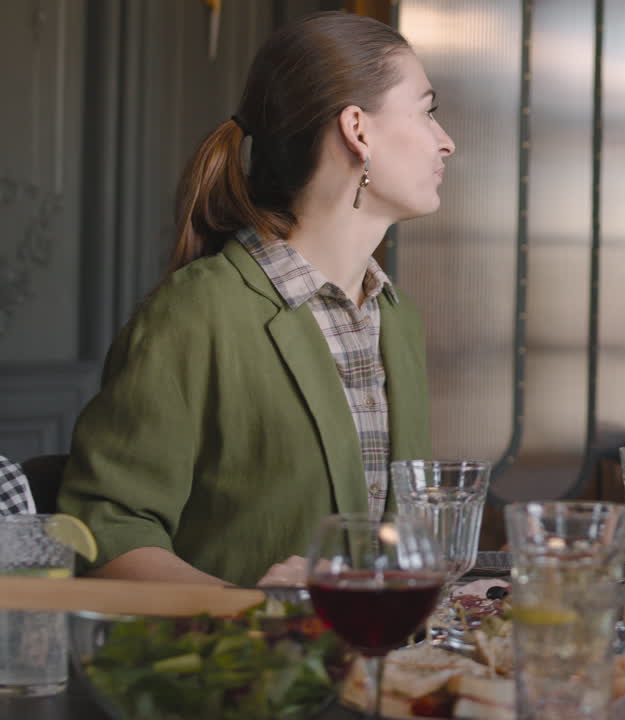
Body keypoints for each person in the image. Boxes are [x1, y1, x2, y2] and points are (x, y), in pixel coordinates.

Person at [57, 12, 454, 587]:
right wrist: (246, 614)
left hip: (379, 670)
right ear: (358, 130)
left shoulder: (397, 318)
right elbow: (107, 529)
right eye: (426, 110)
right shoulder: (197, 312)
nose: (446, 141)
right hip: (239, 672)